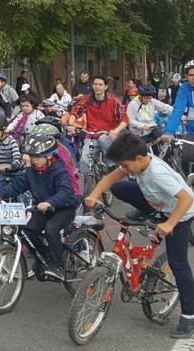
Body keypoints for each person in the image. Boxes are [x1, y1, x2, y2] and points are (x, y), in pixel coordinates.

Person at [85, 133, 194, 338]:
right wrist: (94, 194)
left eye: (125, 166)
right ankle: (148, 211)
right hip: (158, 201)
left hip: (180, 212)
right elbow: (110, 177)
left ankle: (189, 315)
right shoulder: (137, 162)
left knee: (178, 263)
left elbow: (186, 198)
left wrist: (170, 223)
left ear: (138, 159)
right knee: (118, 186)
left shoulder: (158, 173)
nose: (124, 169)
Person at [0, 134, 79, 280]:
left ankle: (58, 266)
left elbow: (66, 192)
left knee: (51, 228)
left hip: (64, 207)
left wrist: (50, 203)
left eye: (38, 156)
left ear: (49, 156)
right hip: (43, 208)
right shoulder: (32, 171)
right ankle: (46, 257)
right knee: (27, 230)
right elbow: (18, 186)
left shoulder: (59, 170)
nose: (34, 159)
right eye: (32, 156)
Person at [67, 75, 128, 174]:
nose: (97, 87)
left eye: (100, 84)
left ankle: (111, 166)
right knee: (84, 162)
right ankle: (88, 184)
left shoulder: (113, 101)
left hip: (109, 135)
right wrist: (71, 125)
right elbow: (75, 112)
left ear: (106, 87)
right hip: (91, 136)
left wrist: (116, 130)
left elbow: (124, 119)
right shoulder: (86, 100)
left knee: (103, 139)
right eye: (95, 84)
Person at [162, 60, 194, 177]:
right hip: (191, 131)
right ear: (186, 76)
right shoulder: (185, 88)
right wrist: (169, 132)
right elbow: (178, 110)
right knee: (186, 158)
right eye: (191, 75)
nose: (193, 78)